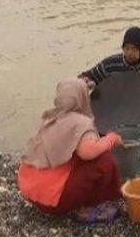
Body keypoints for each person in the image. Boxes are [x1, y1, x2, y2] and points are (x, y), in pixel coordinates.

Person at [17, 78, 123, 222]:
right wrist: (111, 139)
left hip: (31, 193)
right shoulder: (81, 123)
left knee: (83, 156)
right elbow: (87, 152)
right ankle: (88, 209)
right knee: (103, 158)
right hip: (55, 202)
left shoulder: (49, 118)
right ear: (83, 97)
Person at [79, 26, 140, 137]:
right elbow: (84, 77)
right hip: (119, 113)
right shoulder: (110, 65)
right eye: (126, 48)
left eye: (134, 49)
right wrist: (90, 84)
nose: (129, 53)